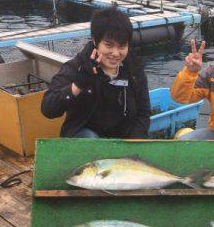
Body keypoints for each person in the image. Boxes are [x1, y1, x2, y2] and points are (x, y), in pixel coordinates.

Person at [41, 7, 150, 138]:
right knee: (89, 137)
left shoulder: (134, 68)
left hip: (122, 136)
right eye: (109, 45)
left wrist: (134, 141)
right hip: (85, 135)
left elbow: (144, 112)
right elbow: (48, 109)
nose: (116, 53)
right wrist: (78, 85)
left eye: (122, 46)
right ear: (94, 41)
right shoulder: (77, 67)